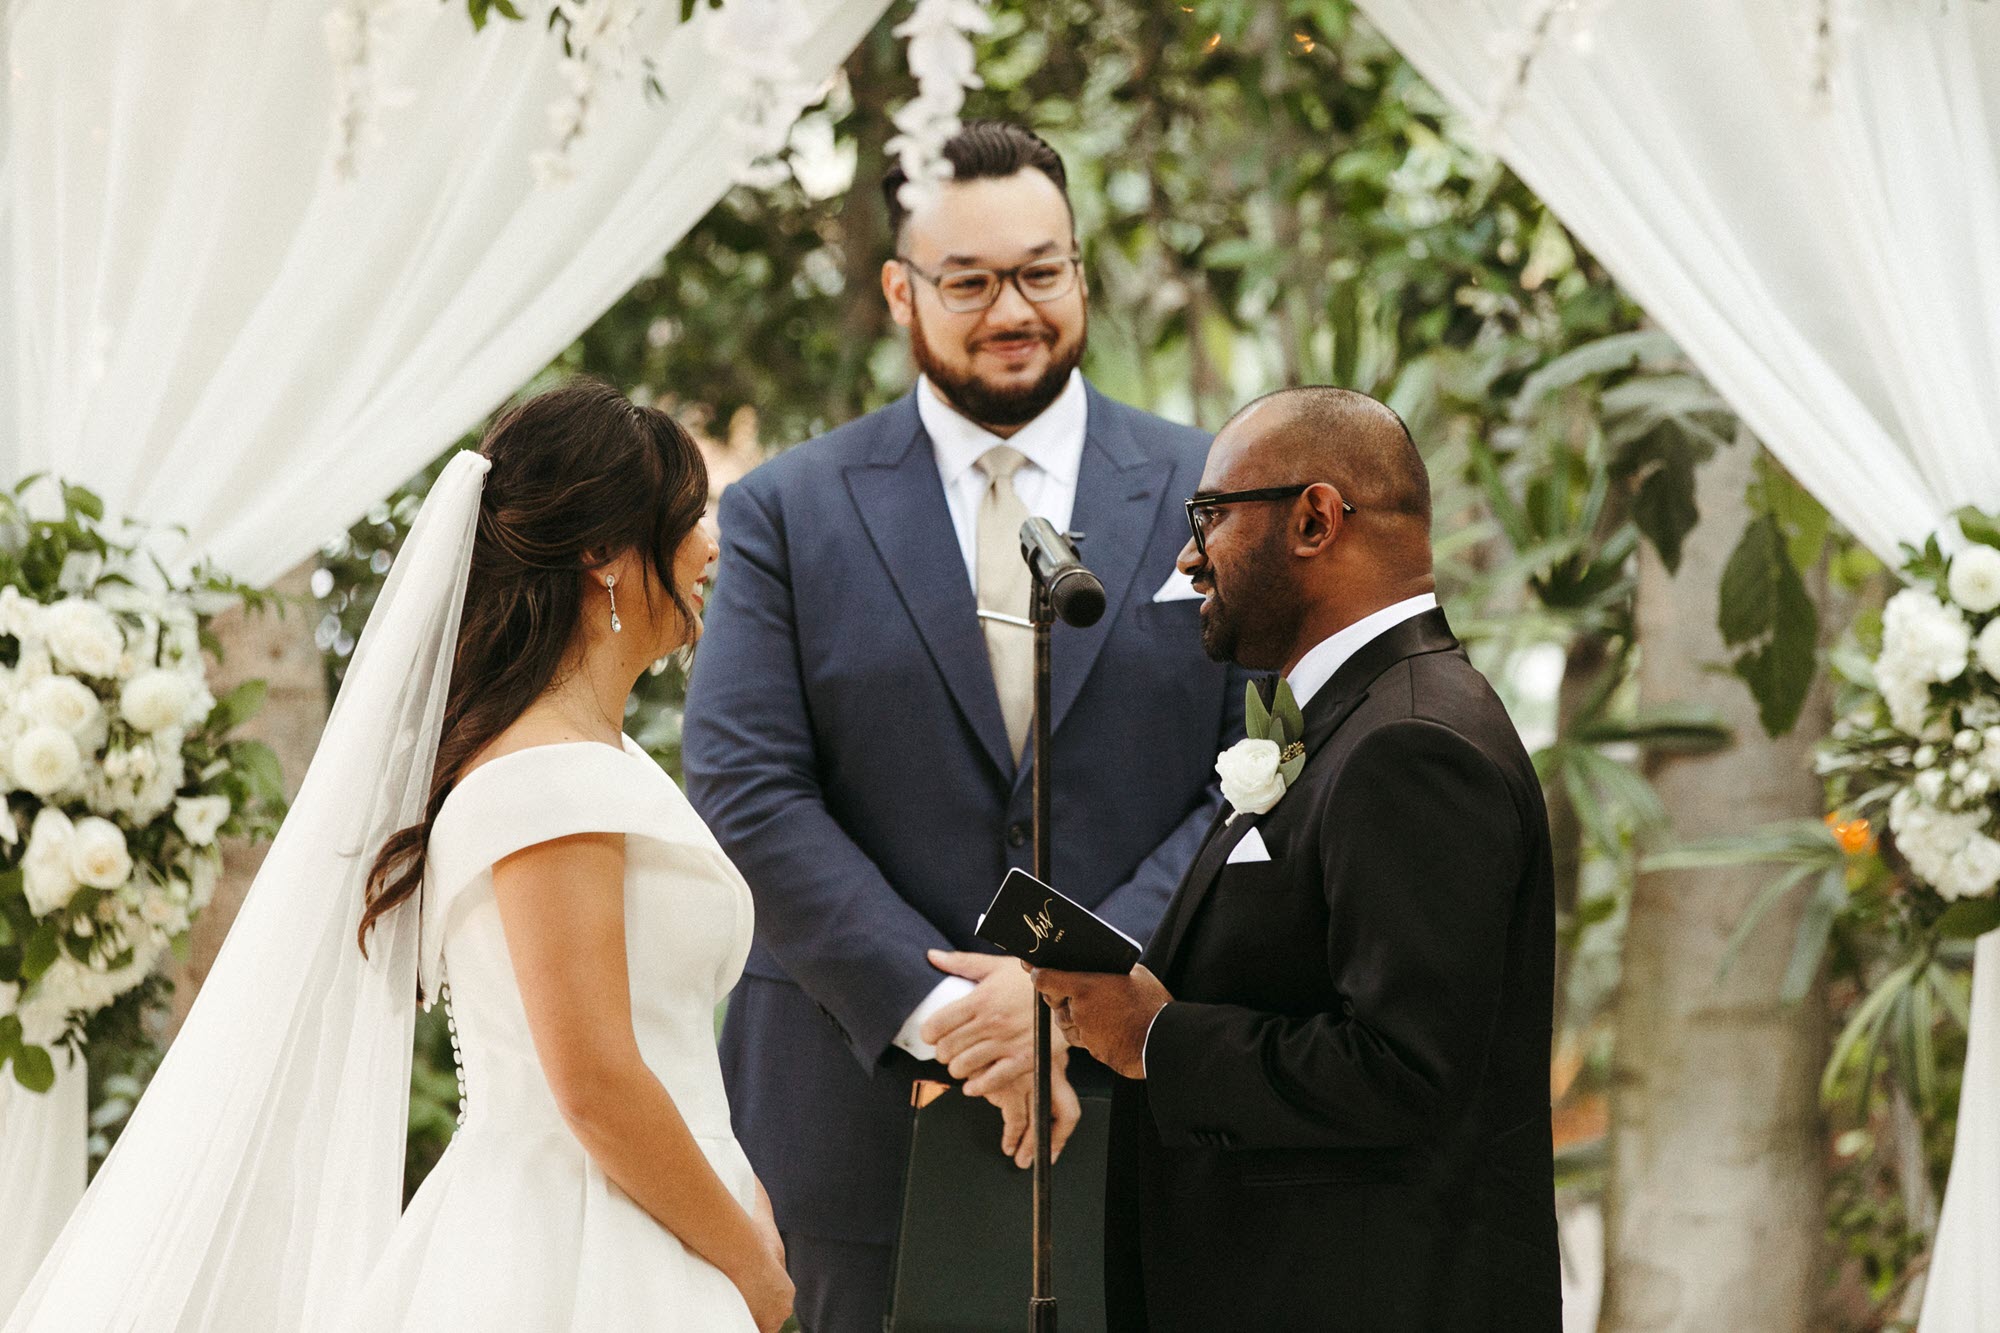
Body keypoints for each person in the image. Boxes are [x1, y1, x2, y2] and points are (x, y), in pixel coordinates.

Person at [5, 381, 794, 1333]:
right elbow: (592, 1081)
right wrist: (751, 1264)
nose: (711, 546)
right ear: (602, 553)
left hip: (640, 1220)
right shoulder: (551, 779)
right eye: (688, 517)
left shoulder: (583, 761)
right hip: (587, 1246)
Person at [683, 120, 1248, 1332]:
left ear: (1081, 272)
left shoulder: (1208, 485)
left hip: (1144, 1115)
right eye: (971, 281)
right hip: (850, 1125)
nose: (1014, 309)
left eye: (1041, 271)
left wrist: (1065, 994)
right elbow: (745, 785)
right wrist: (948, 1015)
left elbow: (1247, 775)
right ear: (901, 289)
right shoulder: (787, 512)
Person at [1033, 387, 1563, 1331]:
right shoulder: (1354, 721)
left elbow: (1405, 1068)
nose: (1189, 557)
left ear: (1315, 518)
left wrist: (1157, 1036)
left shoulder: (1412, 745)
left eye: (1210, 518)